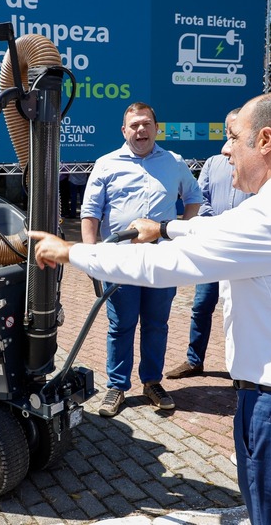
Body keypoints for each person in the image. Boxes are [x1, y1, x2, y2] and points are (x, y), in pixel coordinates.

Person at [31, 91, 271, 524]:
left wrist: (70, 252)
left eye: (234, 138)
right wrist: (165, 226)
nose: (226, 149)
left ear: (265, 140)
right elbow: (223, 228)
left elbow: (163, 265)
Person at [80, 101, 201, 417]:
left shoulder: (174, 162)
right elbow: (90, 214)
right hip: (120, 262)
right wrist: (91, 256)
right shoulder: (106, 164)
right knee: (121, 325)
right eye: (134, 125)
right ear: (124, 130)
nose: (141, 130)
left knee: (157, 324)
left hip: (161, 262)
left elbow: (194, 199)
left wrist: (180, 234)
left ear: (156, 128)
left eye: (146, 123)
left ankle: (151, 382)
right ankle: (117, 387)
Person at [166, 108, 252, 379]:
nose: (230, 135)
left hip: (243, 252)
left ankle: (244, 369)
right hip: (214, 249)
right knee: (202, 306)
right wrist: (216, 228)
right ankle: (194, 360)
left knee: (242, 310)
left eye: (235, 130)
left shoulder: (255, 165)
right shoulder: (213, 163)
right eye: (228, 129)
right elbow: (201, 200)